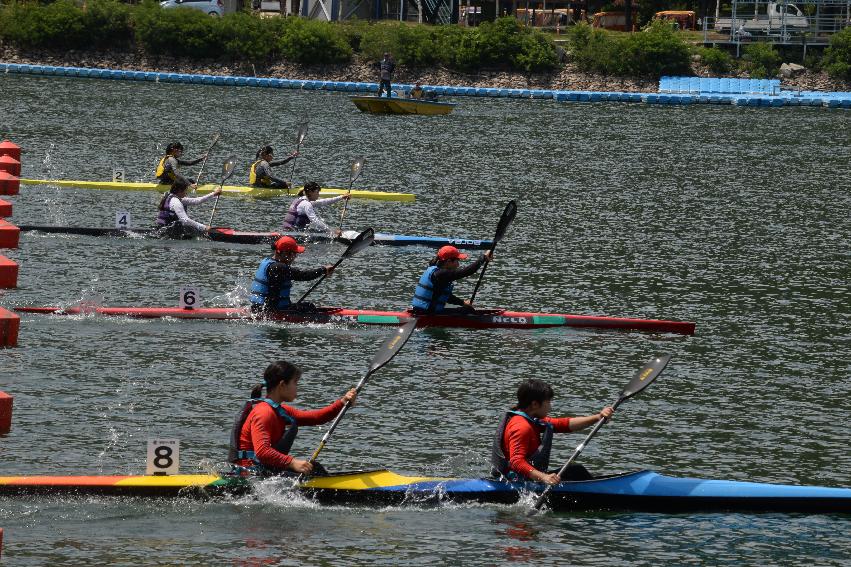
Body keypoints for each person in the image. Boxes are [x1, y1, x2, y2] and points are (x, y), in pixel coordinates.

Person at [229, 360, 357, 476]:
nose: (297, 388)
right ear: (282, 385)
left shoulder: (280, 410)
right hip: (250, 475)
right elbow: (262, 452)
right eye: (295, 382)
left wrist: (342, 402)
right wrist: (292, 462)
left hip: (265, 470)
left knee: (314, 468)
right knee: (313, 469)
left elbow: (316, 418)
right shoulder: (264, 413)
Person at [491, 378, 615, 484]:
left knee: (576, 471)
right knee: (577, 472)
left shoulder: (530, 419)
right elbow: (516, 462)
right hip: (517, 483)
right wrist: (544, 477)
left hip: (527, 478)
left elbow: (565, 425)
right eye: (548, 402)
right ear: (535, 404)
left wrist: (598, 417)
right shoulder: (521, 427)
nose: (550, 407)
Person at [249, 235, 334, 312]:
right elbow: (304, 275)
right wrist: (323, 270)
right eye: (295, 254)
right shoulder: (279, 268)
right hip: (273, 311)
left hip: (257, 308)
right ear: (286, 254)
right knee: (310, 307)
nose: (295, 257)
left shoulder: (267, 262)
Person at [410, 245, 493, 314]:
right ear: (449, 261)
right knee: (468, 311)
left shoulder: (434, 270)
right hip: (429, 314)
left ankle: (395, 320)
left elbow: (444, 296)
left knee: (465, 308)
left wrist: (462, 303)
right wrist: (483, 258)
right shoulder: (442, 274)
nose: (458, 264)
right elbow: (466, 272)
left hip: (420, 311)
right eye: (457, 261)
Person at [155, 178, 221, 236]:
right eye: (186, 190)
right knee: (196, 230)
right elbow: (185, 220)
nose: (186, 192)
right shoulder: (175, 202)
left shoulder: (172, 197)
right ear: (180, 190)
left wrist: (214, 194)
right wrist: (204, 227)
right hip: (167, 232)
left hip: (163, 229)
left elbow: (197, 200)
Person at [281, 181, 349, 236]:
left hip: (288, 231)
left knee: (319, 230)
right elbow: (315, 221)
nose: (318, 194)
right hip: (292, 234)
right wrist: (332, 231)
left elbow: (324, 202)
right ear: (310, 192)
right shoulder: (306, 204)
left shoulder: (300, 200)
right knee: (324, 231)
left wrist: (341, 197)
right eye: (317, 192)